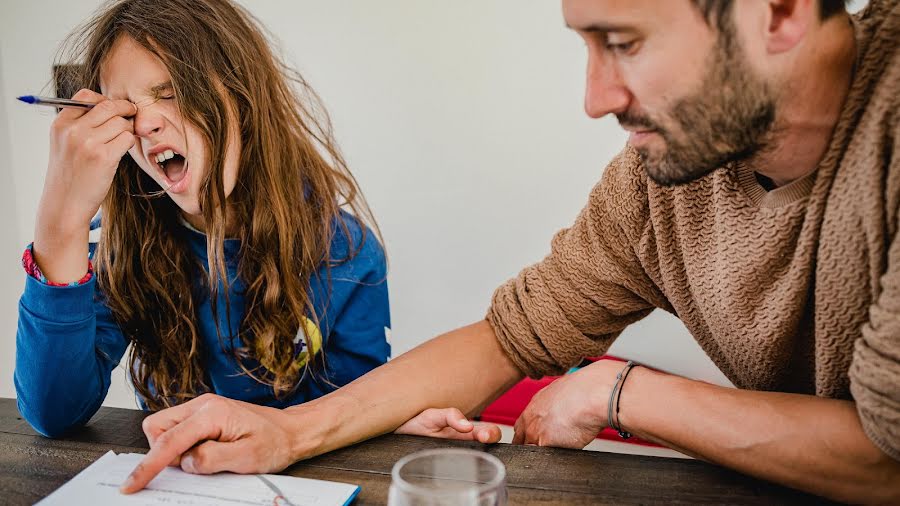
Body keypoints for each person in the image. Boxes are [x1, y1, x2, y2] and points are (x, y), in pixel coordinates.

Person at [121, 0, 899, 502]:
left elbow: (885, 453)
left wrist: (623, 391)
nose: (596, 98)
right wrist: (289, 432)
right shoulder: (657, 185)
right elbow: (508, 337)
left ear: (780, 9)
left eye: (622, 43)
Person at [14, 0, 391, 444]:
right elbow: (53, 413)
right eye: (126, 110)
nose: (148, 123)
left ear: (243, 98)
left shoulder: (346, 252)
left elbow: (358, 417)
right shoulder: (120, 250)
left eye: (171, 91)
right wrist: (61, 225)